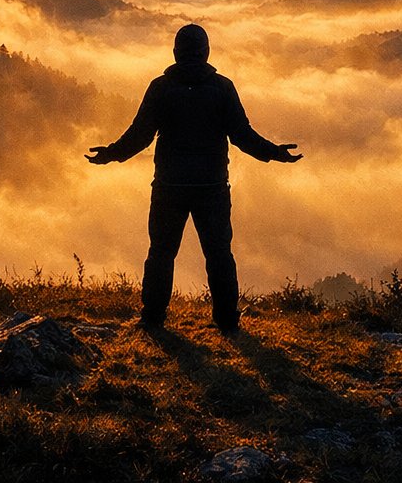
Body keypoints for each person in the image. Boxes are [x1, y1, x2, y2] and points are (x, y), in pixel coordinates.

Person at [86, 23, 302, 335]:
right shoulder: (222, 88)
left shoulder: (160, 88)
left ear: (175, 53)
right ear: (206, 52)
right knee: (219, 254)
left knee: (161, 251)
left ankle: (152, 319)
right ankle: (228, 322)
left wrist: (110, 154)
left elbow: (140, 136)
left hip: (169, 186)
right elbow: (243, 136)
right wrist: (276, 153)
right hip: (211, 187)